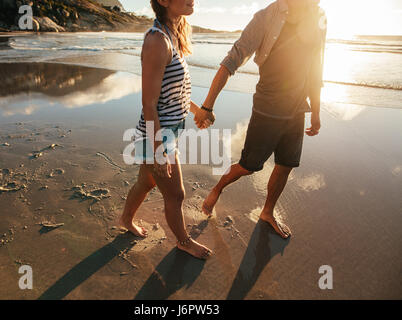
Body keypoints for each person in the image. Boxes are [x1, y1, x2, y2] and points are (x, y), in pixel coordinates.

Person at [195, 0, 327, 238]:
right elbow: (232, 59)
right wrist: (207, 105)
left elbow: (316, 68)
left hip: (298, 109)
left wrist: (315, 112)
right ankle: (218, 188)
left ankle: (267, 212)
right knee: (248, 166)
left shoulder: (318, 17)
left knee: (286, 164)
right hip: (268, 109)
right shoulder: (266, 17)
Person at [119, 0, 214, 259]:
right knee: (176, 194)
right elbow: (148, 104)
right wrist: (159, 150)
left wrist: (197, 111)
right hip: (157, 135)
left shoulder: (174, 33)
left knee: (146, 182)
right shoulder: (156, 41)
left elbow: (173, 93)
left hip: (165, 131)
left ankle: (126, 220)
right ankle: (183, 241)